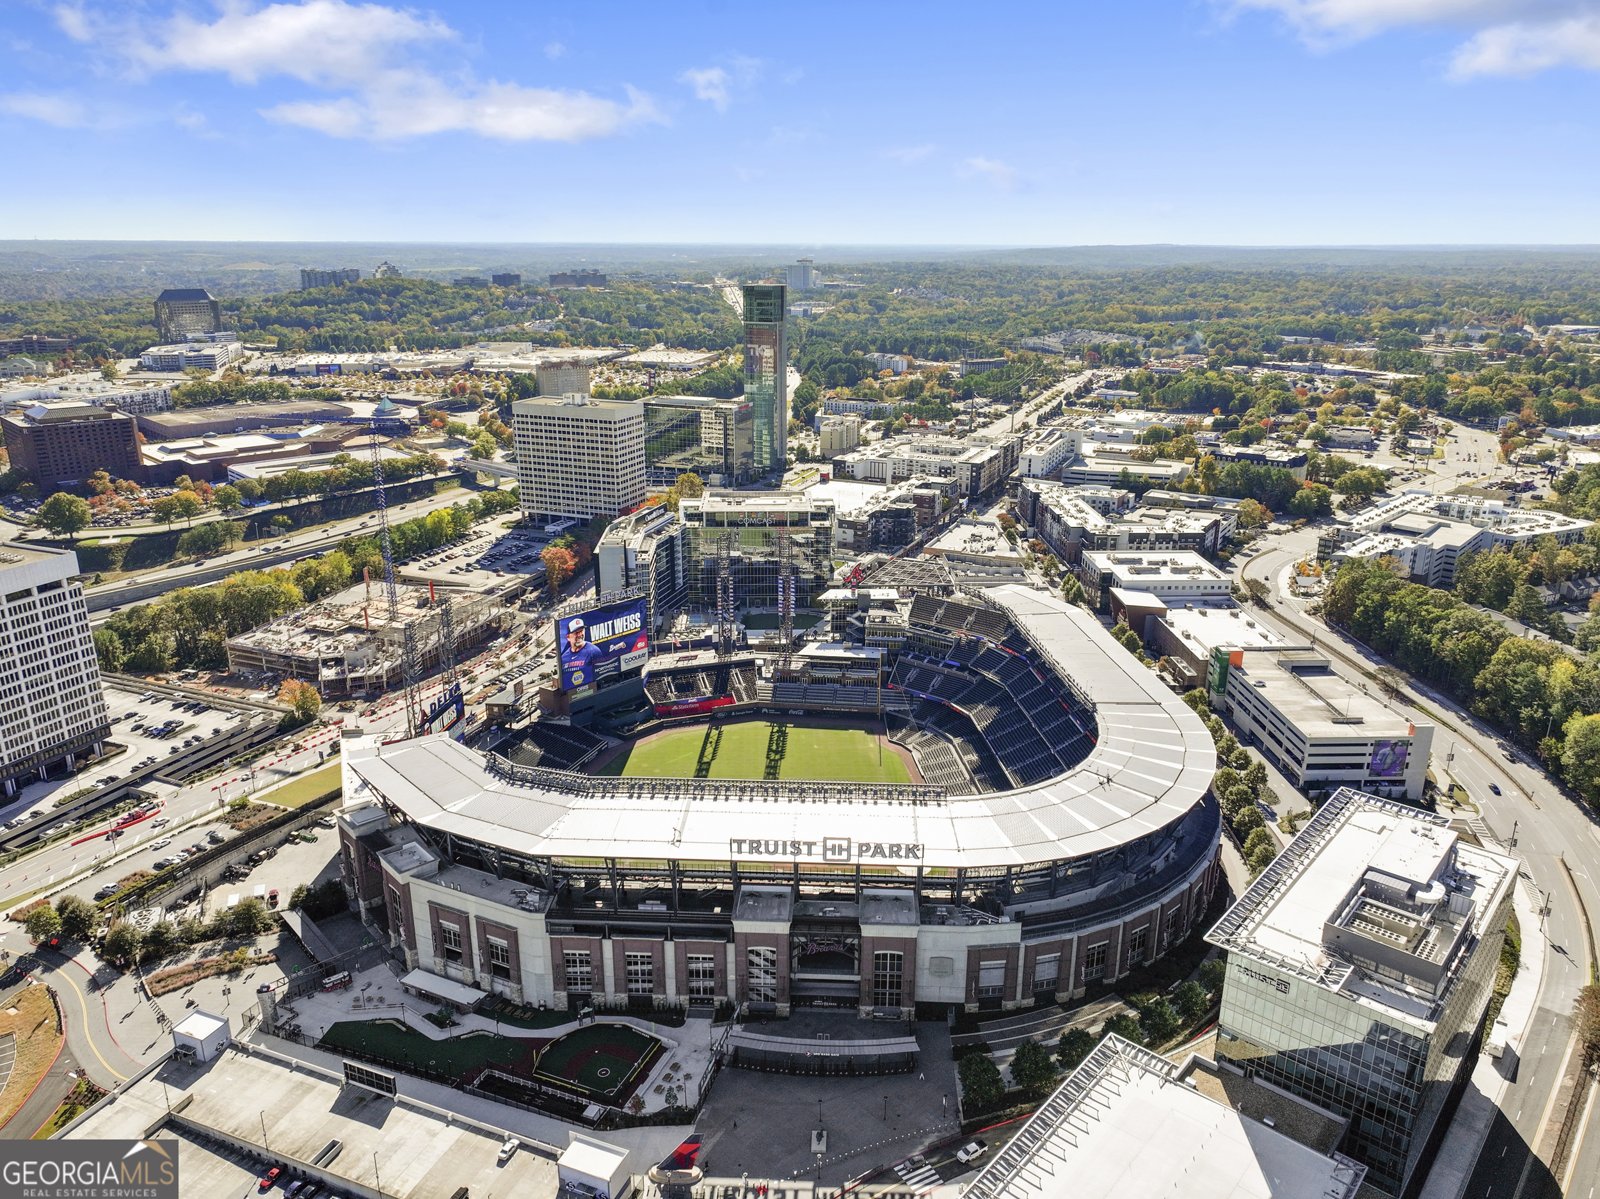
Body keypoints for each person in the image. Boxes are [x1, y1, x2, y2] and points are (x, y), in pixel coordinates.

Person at [562, 616, 604, 686]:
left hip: (592, 688)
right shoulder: (563, 658)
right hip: (571, 690)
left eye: (581, 631)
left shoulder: (594, 651)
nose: (579, 635)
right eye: (576, 632)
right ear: (568, 637)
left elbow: (602, 674)